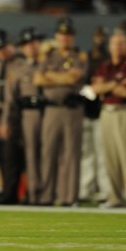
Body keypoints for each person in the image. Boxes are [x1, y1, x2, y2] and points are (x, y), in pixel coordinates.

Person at [35, 19, 87, 206]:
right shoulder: (48, 55)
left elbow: (75, 78)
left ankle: (69, 197)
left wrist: (51, 77)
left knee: (71, 153)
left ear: (72, 37)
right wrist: (63, 78)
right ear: (56, 36)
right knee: (48, 152)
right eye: (61, 35)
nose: (64, 38)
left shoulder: (79, 56)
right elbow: (38, 79)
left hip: (71, 108)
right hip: (51, 108)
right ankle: (46, 195)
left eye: (68, 35)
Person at [92, 31, 126, 209]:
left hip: (125, 112)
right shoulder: (104, 66)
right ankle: (114, 196)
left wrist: (108, 87)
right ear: (109, 46)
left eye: (121, 43)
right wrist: (114, 85)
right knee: (110, 156)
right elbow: (95, 88)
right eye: (115, 43)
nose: (117, 47)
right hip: (106, 111)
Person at [3, 27, 45, 204]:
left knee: (49, 155)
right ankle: (32, 193)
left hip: (49, 111)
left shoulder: (48, 62)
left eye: (34, 42)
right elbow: (10, 98)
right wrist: (6, 121)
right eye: (27, 44)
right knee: (30, 154)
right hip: (27, 113)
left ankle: (46, 193)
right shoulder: (16, 67)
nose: (31, 47)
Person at [0, 30, 25, 204]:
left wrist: (5, 122)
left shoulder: (18, 64)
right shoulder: (0, 66)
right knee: (3, 156)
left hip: (15, 119)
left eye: (4, 47)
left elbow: (11, 99)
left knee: (12, 157)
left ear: (12, 45)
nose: (2, 51)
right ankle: (6, 191)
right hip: (2, 119)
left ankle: (12, 194)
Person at [79, 26, 110, 203]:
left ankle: (105, 190)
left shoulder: (108, 59)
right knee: (87, 153)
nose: (100, 39)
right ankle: (86, 189)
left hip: (102, 110)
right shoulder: (87, 57)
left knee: (102, 153)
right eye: (97, 35)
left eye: (102, 36)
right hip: (86, 109)